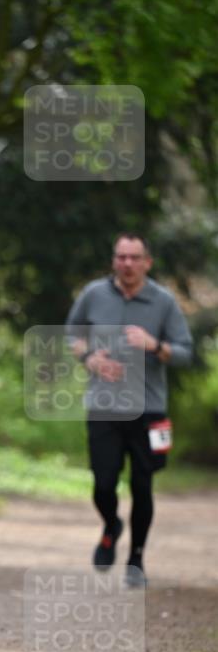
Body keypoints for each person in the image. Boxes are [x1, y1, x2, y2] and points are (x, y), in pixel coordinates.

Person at [66, 233, 192, 587]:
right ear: (114, 261)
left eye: (135, 257)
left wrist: (154, 346)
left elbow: (184, 352)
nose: (127, 264)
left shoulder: (163, 301)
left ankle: (136, 559)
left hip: (149, 409)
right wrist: (89, 358)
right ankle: (111, 525)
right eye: (121, 257)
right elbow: (71, 334)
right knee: (103, 483)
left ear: (147, 262)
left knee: (142, 484)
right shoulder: (93, 295)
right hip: (104, 406)